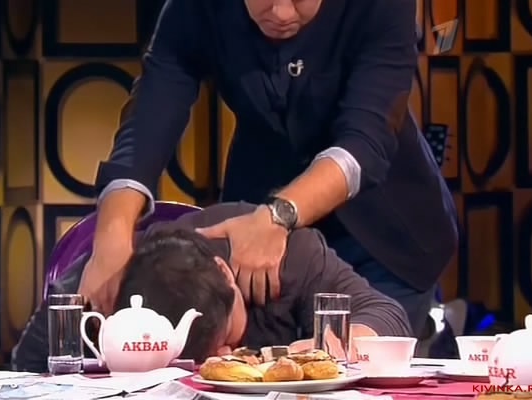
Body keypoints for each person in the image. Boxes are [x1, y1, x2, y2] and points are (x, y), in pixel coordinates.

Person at [81, 0, 458, 341]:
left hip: (384, 236)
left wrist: (279, 216)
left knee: (355, 365)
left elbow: (365, 141)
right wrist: (111, 236)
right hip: (256, 225)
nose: (281, 12)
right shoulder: (195, 8)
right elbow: (151, 114)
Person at [12, 203, 411, 371]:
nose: (224, 355)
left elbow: (388, 314)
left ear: (225, 271)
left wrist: (334, 344)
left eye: (229, 338)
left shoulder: (288, 256)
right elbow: (30, 363)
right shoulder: (106, 281)